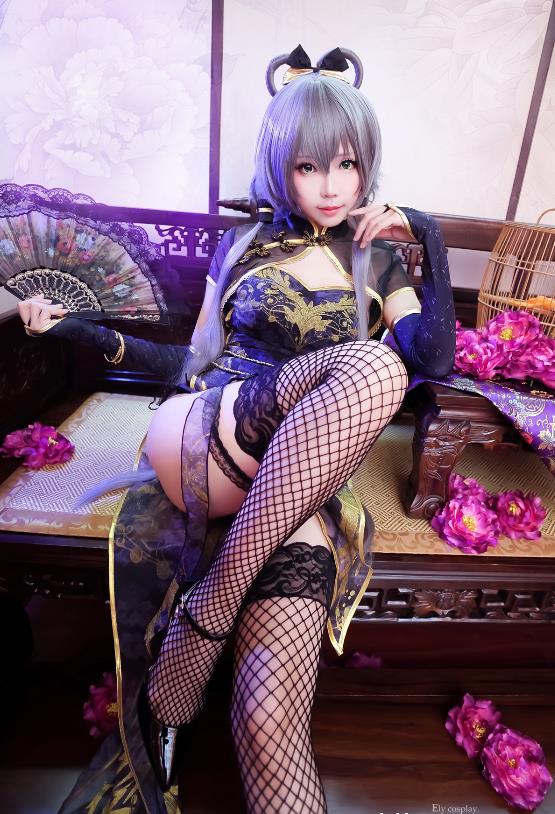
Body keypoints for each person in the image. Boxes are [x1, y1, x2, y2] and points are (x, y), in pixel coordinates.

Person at [18, 44, 455, 814]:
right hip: (207, 438)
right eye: (309, 167)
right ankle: (214, 607)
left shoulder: (378, 263)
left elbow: (431, 358)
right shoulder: (243, 246)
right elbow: (189, 363)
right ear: (281, 167)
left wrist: (427, 235)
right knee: (373, 365)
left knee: (267, 718)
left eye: (348, 165)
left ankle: (200, 627)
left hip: (294, 483)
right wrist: (77, 330)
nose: (332, 186)